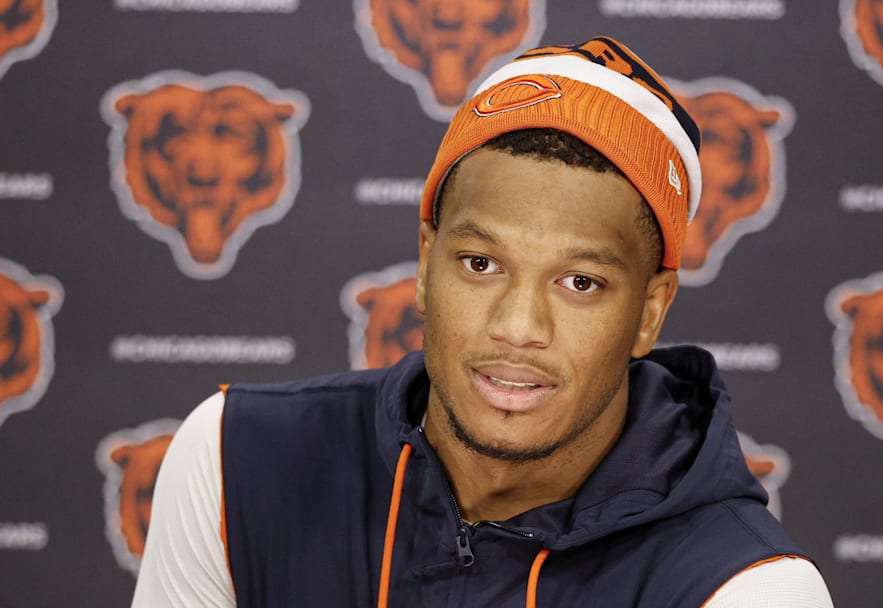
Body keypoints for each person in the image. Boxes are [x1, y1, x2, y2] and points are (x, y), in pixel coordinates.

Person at [133, 36, 833, 607]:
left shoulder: (744, 589)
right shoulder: (238, 461)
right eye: (480, 264)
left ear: (649, 313)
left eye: (580, 282)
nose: (518, 326)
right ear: (425, 262)